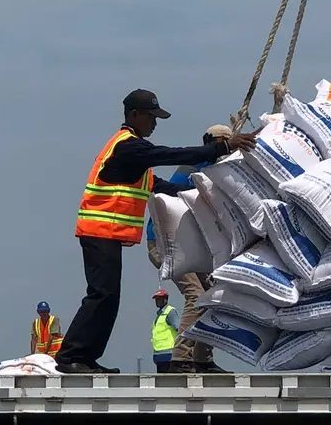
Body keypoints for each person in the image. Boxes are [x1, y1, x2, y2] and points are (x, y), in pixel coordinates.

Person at [55, 88, 258, 374]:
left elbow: (160, 186)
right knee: (101, 295)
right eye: (151, 116)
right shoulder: (129, 147)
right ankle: (70, 356)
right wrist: (221, 148)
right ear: (134, 115)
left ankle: (86, 358)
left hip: (107, 234)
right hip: (98, 230)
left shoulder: (133, 155)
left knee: (108, 296)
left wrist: (202, 192)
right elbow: (168, 154)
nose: (155, 123)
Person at [146, 124, 233, 374]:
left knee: (214, 297)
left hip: (191, 245)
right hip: (167, 244)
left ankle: (202, 358)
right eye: (223, 144)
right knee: (196, 295)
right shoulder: (198, 168)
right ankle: (180, 358)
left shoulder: (209, 168)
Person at [150, 290, 179, 373]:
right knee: (161, 383)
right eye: (156, 299)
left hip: (169, 354)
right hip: (159, 354)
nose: (157, 301)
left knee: (168, 382)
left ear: (165, 300)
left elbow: (178, 329)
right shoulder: (159, 315)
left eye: (160, 299)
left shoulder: (170, 312)